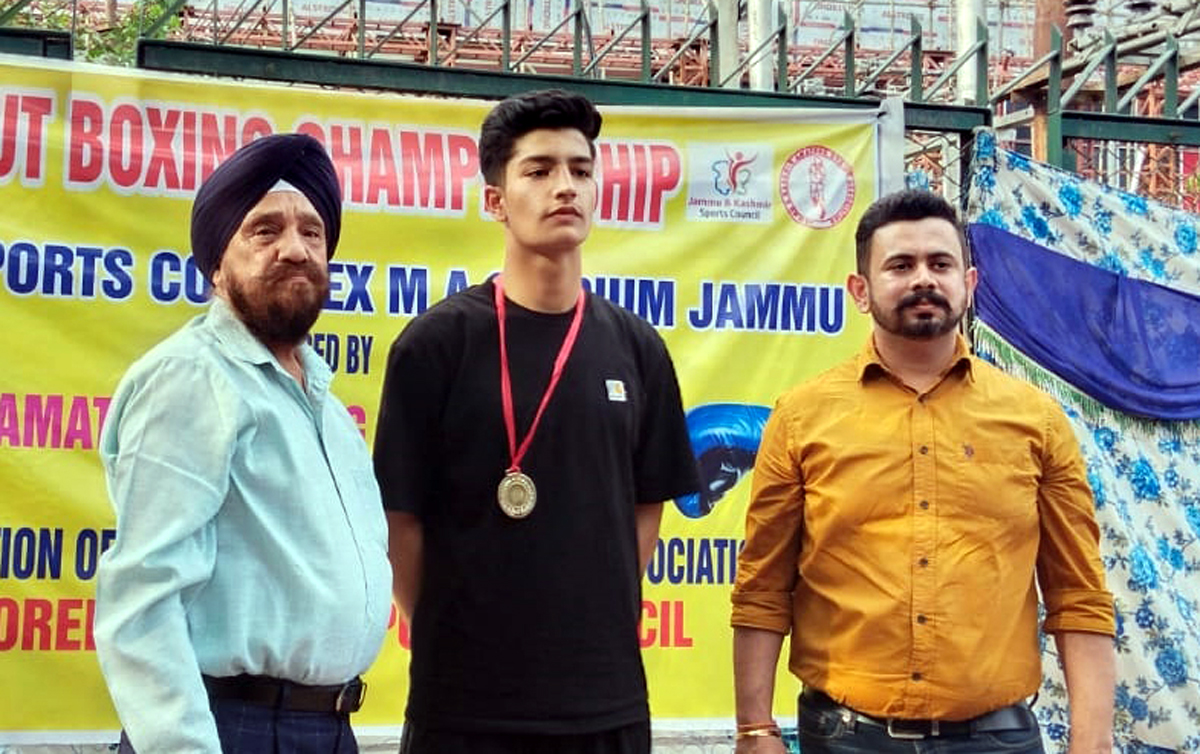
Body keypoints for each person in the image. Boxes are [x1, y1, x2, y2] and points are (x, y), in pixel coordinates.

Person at [730, 189, 1116, 754]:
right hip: (844, 738)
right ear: (859, 291)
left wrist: (1092, 745)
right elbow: (763, 588)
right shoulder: (802, 416)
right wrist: (754, 728)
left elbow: (1078, 594)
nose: (923, 280)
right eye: (900, 265)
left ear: (970, 283)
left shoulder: (1036, 419)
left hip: (996, 739)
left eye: (940, 264)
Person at [373, 89, 701, 754]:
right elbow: (399, 520)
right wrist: (447, 626)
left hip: (603, 704)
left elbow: (646, 506)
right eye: (539, 170)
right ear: (495, 201)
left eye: (581, 170)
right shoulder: (435, 346)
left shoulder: (636, 348)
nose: (565, 188)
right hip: (463, 708)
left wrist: (587, 611)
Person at [94, 133, 392, 754]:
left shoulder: (330, 411)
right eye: (264, 230)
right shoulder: (194, 377)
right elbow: (143, 600)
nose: (295, 249)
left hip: (327, 729)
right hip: (230, 728)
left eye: (313, 233)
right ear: (215, 261)